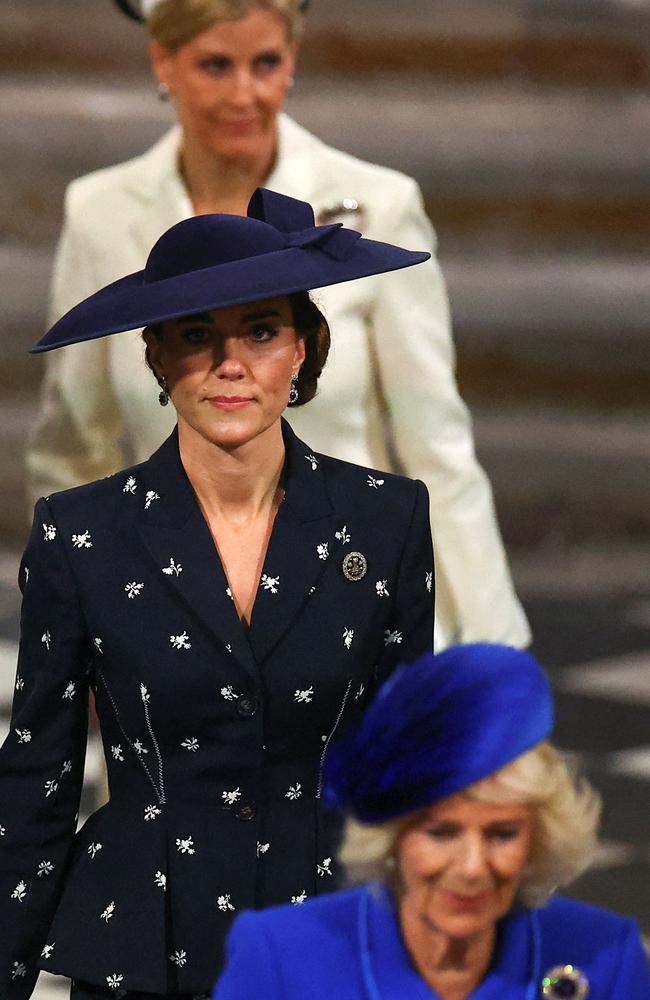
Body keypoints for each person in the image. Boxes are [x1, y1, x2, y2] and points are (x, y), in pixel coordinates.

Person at [0, 190, 435, 999]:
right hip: (144, 948)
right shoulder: (80, 536)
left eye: (261, 331)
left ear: (304, 349)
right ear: (157, 356)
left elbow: (411, 767)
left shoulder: (387, 519)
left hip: (336, 938)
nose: (230, 364)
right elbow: (35, 785)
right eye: (198, 335)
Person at [26, 0, 530, 651]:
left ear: (291, 58)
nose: (245, 93)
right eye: (215, 65)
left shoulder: (376, 204)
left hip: (358, 610)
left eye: (265, 63)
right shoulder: (100, 213)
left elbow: (437, 445)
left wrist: (496, 656)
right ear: (163, 62)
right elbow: (70, 451)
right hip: (174, 626)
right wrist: (80, 628)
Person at [215, 643, 650, 1000]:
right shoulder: (279, 960)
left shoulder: (605, 960)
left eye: (503, 833)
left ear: (539, 837)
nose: (472, 867)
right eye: (441, 832)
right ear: (391, 837)